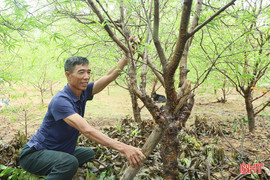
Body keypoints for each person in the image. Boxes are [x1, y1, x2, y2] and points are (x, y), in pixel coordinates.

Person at [19, 38, 145, 180]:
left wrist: (129, 53)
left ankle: (58, 165)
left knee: (88, 153)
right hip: (34, 155)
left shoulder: (83, 92)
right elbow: (86, 130)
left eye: (88, 72)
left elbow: (109, 76)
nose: (86, 77)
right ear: (68, 75)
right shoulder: (61, 101)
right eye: (81, 72)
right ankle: (58, 167)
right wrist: (124, 148)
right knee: (70, 163)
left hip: (58, 150)